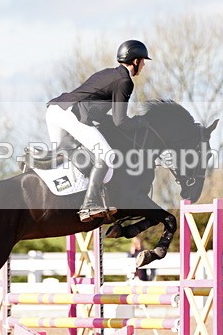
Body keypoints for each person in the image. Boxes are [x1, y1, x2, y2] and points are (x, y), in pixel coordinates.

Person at [47, 40, 150, 222]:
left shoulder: (108, 74)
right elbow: (121, 121)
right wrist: (141, 123)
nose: (143, 65)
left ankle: (34, 161)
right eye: (143, 61)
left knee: (64, 156)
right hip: (72, 115)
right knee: (107, 155)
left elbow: (100, 113)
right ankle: (89, 204)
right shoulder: (125, 81)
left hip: (55, 110)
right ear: (135, 61)